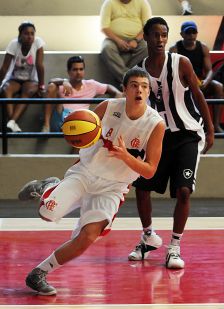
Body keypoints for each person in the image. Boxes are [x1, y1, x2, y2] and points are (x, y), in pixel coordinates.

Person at [18, 67, 165, 295]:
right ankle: (47, 186)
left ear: (149, 92)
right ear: (125, 89)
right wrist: (77, 132)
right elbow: (86, 131)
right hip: (86, 172)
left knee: (88, 237)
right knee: (47, 214)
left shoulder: (155, 124)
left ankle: (39, 273)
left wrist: (125, 156)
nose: (140, 90)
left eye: (145, 86)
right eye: (134, 85)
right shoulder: (108, 107)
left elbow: (150, 171)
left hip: (113, 187)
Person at [128, 17, 214, 269]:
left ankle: (174, 247)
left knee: (184, 191)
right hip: (158, 136)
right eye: (155, 35)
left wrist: (210, 130)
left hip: (188, 134)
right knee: (142, 187)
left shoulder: (181, 63)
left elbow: (198, 95)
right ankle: (148, 238)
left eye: (164, 35)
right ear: (145, 36)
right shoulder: (139, 70)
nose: (160, 39)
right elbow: (136, 106)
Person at [41, 55, 123, 132]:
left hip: (80, 121)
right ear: (68, 72)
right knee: (53, 87)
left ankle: (79, 140)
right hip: (61, 120)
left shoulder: (91, 85)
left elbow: (108, 87)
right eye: (75, 69)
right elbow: (50, 84)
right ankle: (46, 126)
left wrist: (118, 93)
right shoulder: (62, 85)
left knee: (87, 122)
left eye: (81, 69)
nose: (78, 72)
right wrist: (64, 81)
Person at [169, 20, 224, 133]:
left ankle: (216, 124)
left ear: (197, 33)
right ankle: (194, 125)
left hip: (200, 82)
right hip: (184, 84)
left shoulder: (203, 47)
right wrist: (188, 82)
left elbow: (209, 71)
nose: (191, 35)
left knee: (218, 86)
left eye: (193, 32)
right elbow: (172, 72)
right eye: (188, 32)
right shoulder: (175, 49)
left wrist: (206, 81)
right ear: (182, 34)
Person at [0, 21, 45, 132]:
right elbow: (4, 67)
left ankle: (11, 122)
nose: (29, 36)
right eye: (26, 33)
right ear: (20, 35)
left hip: (31, 80)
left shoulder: (38, 43)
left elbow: (40, 65)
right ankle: (12, 122)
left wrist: (41, 86)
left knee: (28, 91)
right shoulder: (13, 44)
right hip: (14, 78)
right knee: (6, 90)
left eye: (32, 33)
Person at [100, 0, 152, 87]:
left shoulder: (142, 2)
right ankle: (128, 79)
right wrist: (118, 41)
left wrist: (136, 40)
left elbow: (147, 26)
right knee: (106, 48)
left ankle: (126, 80)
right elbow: (104, 27)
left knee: (148, 47)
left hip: (138, 39)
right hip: (113, 39)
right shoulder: (109, 3)